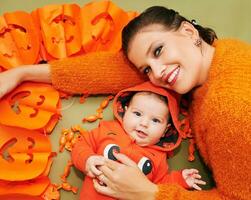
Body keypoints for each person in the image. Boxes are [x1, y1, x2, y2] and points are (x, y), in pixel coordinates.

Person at [0, 4, 250, 200]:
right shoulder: (215, 56)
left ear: (188, 31)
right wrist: (21, 73)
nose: (158, 72)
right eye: (146, 70)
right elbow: (114, 71)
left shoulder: (228, 106)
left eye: (158, 50)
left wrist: (150, 194)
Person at [71, 81, 206, 200]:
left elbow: (158, 187)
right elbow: (81, 144)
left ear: (166, 130)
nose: (144, 123)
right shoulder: (108, 130)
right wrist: (87, 160)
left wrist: (180, 179)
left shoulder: (158, 158)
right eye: (137, 114)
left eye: (155, 120)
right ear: (125, 111)